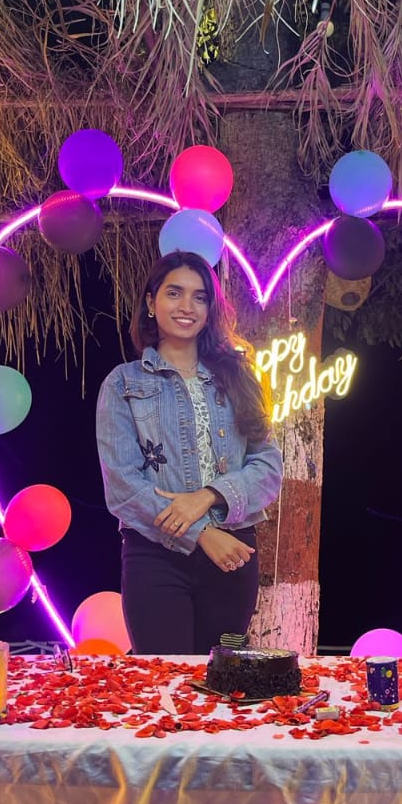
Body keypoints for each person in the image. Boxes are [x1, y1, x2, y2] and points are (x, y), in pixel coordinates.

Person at [96, 249, 283, 654]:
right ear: (151, 302)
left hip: (233, 555)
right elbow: (123, 487)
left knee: (222, 676)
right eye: (174, 293)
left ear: (210, 309)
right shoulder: (123, 383)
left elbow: (268, 466)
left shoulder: (239, 377)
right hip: (155, 558)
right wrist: (201, 534)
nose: (187, 306)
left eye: (200, 297)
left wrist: (208, 496)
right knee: (166, 679)